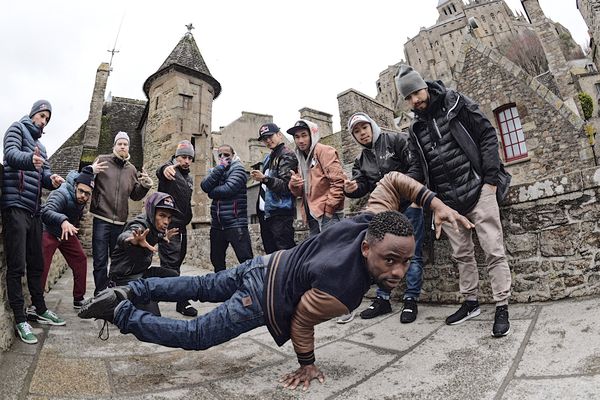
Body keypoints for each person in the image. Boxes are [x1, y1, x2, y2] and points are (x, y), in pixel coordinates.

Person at [78, 171, 474, 391]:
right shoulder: (345, 290)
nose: (398, 272)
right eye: (391, 260)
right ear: (368, 248)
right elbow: (301, 320)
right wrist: (307, 364)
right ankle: (122, 312)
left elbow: (391, 181)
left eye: (405, 262)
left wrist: (433, 204)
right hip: (262, 293)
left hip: (266, 263)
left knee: (202, 286)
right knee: (197, 334)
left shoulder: (371, 221)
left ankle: (133, 288)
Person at [396, 64, 512, 337]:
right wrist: (403, 184)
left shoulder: (455, 103)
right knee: (462, 255)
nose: (415, 100)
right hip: (447, 202)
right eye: (409, 97)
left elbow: (486, 135)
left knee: (493, 250)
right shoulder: (414, 129)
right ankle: (470, 302)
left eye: (416, 92)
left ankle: (502, 305)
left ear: (424, 85)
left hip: (478, 189)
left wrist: (491, 180)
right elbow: (417, 169)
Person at [342, 112, 425, 325]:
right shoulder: (360, 160)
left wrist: (410, 193)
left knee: (412, 255)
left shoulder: (396, 140)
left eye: (364, 127)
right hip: (385, 212)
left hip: (409, 205)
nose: (362, 133)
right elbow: (361, 186)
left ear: (372, 126)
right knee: (382, 255)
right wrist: (351, 189)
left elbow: (416, 166)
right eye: (357, 131)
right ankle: (383, 299)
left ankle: (410, 300)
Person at [2, 99, 66, 344]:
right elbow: (10, 155)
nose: (44, 121)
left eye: (47, 119)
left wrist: (53, 180)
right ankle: (20, 318)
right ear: (33, 114)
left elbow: (45, 176)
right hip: (15, 206)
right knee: (16, 265)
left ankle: (39, 308)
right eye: (42, 116)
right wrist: (30, 159)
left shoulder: (43, 147)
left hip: (33, 211)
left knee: (36, 264)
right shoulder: (16, 128)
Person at [89, 131, 153, 295]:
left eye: (125, 144)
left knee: (117, 259)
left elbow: (135, 195)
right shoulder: (102, 160)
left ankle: (113, 292)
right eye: (120, 143)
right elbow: (87, 183)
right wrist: (91, 171)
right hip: (101, 218)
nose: (123, 146)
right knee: (100, 259)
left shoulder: (131, 169)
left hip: (120, 222)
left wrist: (145, 185)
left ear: (128, 147)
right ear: (114, 146)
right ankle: (100, 293)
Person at [107, 192, 180, 316]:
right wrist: (132, 239)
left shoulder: (155, 228)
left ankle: (147, 297)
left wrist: (162, 238)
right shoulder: (140, 225)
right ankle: (117, 302)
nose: (166, 221)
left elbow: (153, 236)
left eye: (168, 217)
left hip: (142, 274)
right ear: (152, 213)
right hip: (125, 280)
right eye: (162, 215)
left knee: (174, 277)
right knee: (154, 320)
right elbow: (127, 235)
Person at [41, 166, 95, 310]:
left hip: (66, 233)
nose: (83, 195)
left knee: (80, 259)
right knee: (43, 264)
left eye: (87, 194)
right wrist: (63, 221)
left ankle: (79, 299)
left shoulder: (81, 201)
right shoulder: (61, 193)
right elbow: (46, 212)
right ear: (75, 186)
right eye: (81, 191)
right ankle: (36, 303)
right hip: (49, 230)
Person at [156, 140, 197, 317]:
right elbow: (162, 170)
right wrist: (166, 168)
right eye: (183, 157)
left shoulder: (187, 177)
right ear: (176, 157)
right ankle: (180, 301)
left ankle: (151, 294)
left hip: (183, 226)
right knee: (170, 266)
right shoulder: (171, 170)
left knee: (176, 262)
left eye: (189, 157)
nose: (186, 161)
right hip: (169, 226)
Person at [287, 119, 346, 236]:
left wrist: (328, 210)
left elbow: (339, 182)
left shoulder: (324, 151)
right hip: (312, 216)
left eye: (304, 135)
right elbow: (299, 193)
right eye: (297, 137)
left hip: (328, 215)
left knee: (334, 252)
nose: (300, 140)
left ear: (312, 135)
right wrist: (294, 184)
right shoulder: (300, 157)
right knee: (319, 253)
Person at [200, 144, 253, 272]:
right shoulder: (217, 169)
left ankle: (251, 286)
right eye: (220, 155)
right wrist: (219, 169)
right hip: (217, 224)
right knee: (217, 259)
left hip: (235, 222)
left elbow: (228, 189)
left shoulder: (238, 169)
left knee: (245, 260)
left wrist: (212, 192)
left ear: (233, 155)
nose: (223, 157)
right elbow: (204, 186)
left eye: (227, 155)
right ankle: (220, 288)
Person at [250, 123, 298, 253]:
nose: (267, 140)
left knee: (285, 256)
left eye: (270, 136)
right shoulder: (268, 158)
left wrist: (264, 179)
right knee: (271, 256)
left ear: (279, 135)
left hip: (280, 214)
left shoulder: (287, 154)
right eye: (264, 139)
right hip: (266, 214)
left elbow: (286, 186)